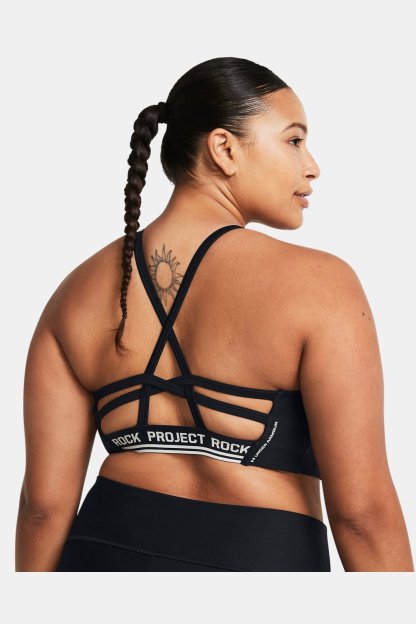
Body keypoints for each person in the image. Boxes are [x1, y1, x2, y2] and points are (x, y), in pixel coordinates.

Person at [15, 56, 413, 572]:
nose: (312, 165)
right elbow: (362, 515)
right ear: (224, 149)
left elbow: (43, 508)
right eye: (294, 140)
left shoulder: (73, 294)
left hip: (100, 559)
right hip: (258, 565)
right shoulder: (320, 284)